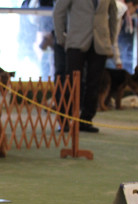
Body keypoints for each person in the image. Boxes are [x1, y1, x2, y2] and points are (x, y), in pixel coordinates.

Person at [53, 0, 117, 133]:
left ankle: (86, 120)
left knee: (94, 83)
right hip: (76, 42)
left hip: (100, 43)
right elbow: (58, 12)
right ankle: (64, 119)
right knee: (71, 82)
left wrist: (111, 39)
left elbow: (113, 13)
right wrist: (61, 38)